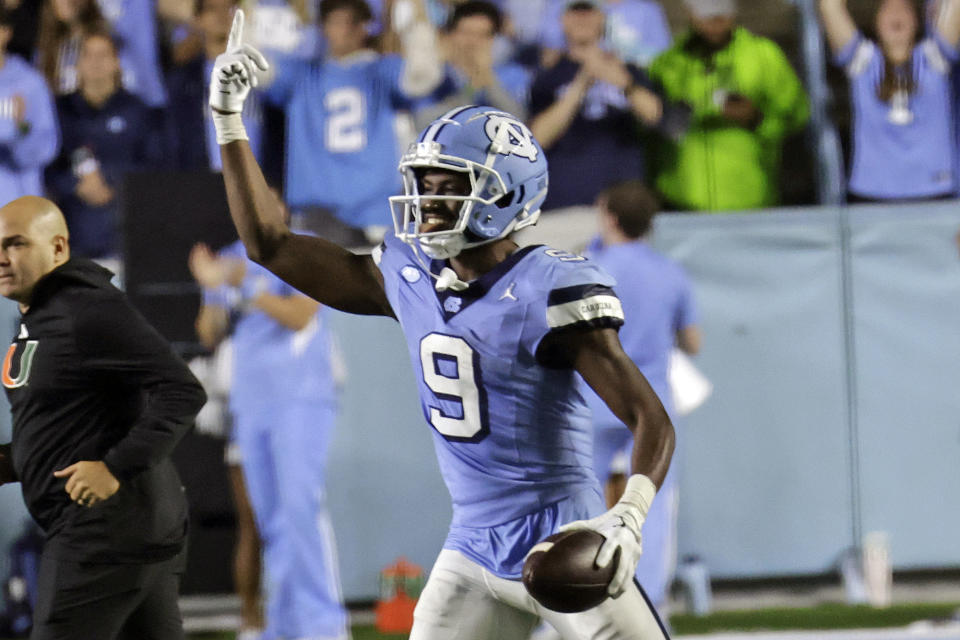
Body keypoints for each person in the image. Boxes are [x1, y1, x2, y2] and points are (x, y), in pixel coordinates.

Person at [209, 10, 675, 639]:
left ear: (505, 195)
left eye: (446, 186)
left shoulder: (548, 287)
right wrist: (231, 122)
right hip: (472, 548)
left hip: (561, 539)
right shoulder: (406, 274)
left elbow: (649, 416)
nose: (426, 201)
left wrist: (628, 517)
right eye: (422, 184)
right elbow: (268, 243)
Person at [0, 195, 206, 640]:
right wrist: (11, 461)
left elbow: (182, 390)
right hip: (131, 529)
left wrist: (115, 468)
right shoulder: (42, 314)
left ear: (57, 248)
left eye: (15, 244)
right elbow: (68, 425)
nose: (1, 257)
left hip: (103, 533)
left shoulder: (87, 308)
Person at [188, 189, 348, 640]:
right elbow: (209, 333)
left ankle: (323, 624)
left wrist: (244, 282)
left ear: (281, 209)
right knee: (270, 519)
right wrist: (210, 284)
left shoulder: (305, 249)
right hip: (250, 401)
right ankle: (285, 623)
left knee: (301, 510)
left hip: (301, 397)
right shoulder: (229, 258)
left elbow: (301, 316)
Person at [582, 179, 700, 613]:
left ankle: (572, 607)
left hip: (593, 398)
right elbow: (693, 341)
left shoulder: (586, 266)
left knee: (577, 504)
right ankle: (647, 610)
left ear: (609, 216)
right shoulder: (670, 272)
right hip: (650, 402)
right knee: (651, 507)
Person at [260, 0, 443, 245]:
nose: (345, 30)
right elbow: (257, 70)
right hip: (317, 210)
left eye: (352, 22)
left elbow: (423, 77)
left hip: (377, 211)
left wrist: (418, 21)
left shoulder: (382, 70)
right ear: (323, 27)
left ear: (364, 28)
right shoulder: (302, 75)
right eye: (337, 22)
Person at [648, 0, 809, 211]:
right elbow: (646, 132)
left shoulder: (762, 55)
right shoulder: (667, 63)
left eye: (721, 13)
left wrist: (756, 119)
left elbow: (797, 115)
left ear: (734, 12)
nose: (715, 22)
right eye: (706, 14)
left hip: (749, 201)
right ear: (690, 13)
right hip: (681, 205)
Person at [529, 0, 670, 211]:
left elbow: (655, 116)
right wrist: (580, 85)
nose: (582, 19)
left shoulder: (629, 69)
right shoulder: (548, 76)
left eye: (588, 12)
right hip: (563, 204)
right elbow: (538, 138)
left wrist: (624, 84)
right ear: (562, 20)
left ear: (603, 18)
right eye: (575, 12)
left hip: (623, 204)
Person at [819, 0, 960, 201]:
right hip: (872, 196)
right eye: (887, 8)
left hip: (934, 192)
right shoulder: (864, 62)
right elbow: (830, 6)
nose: (896, 13)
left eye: (905, 8)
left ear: (917, 22)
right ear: (876, 22)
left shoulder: (933, 59)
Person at [46, 29, 162, 261]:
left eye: (103, 55)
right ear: (77, 63)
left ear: (117, 62)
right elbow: (47, 167)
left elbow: (155, 167)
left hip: (125, 240)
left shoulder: (138, 111)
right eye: (87, 55)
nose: (95, 62)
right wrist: (75, 184)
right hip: (73, 239)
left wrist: (110, 181)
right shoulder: (60, 111)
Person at [165, 0, 266, 172]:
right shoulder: (182, 84)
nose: (222, 16)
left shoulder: (263, 73)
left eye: (230, 8)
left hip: (258, 188)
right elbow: (177, 144)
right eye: (212, 9)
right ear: (197, 20)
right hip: (205, 188)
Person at [414, 1, 530, 130]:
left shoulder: (513, 74)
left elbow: (519, 122)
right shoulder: (437, 75)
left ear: (493, 39)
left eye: (482, 35)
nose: (473, 42)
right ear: (450, 35)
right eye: (466, 33)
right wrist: (471, 89)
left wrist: (488, 80)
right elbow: (422, 120)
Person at [0, 7, 59, 204]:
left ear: (5, 32)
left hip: (16, 207)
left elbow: (45, 148)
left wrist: (20, 129)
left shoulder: (29, 83)